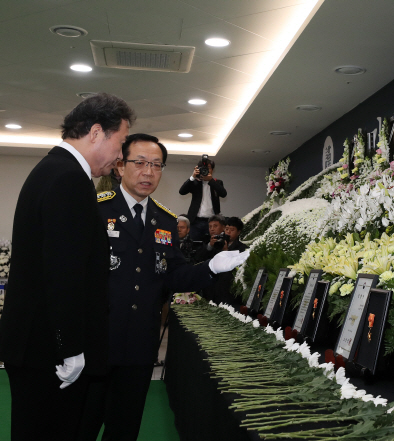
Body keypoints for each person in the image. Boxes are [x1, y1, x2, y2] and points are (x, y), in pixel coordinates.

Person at [78, 133, 248, 441]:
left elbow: (173, 275)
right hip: (96, 344)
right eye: (139, 162)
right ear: (119, 166)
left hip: (140, 346)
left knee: (124, 429)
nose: (148, 172)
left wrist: (209, 267)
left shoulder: (165, 220)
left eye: (157, 165)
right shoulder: (95, 209)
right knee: (81, 427)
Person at [0, 93, 135, 441]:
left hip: (35, 346)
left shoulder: (52, 170)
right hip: (48, 352)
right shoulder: (69, 180)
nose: (121, 155)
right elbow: (63, 274)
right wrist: (69, 348)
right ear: (95, 133)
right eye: (120, 142)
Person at [179, 157, 227, 242]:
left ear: (212, 170)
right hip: (195, 221)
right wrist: (192, 177)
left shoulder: (217, 182)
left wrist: (211, 181)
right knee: (194, 244)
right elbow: (182, 191)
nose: (206, 170)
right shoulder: (195, 182)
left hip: (212, 222)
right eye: (204, 168)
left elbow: (223, 194)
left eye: (208, 168)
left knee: (212, 244)